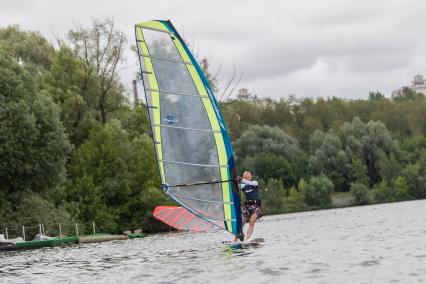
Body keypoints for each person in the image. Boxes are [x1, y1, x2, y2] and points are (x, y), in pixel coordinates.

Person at [236, 171, 261, 241]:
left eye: (248, 177)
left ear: (251, 177)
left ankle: (247, 239)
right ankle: (236, 239)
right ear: (243, 177)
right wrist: (235, 180)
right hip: (248, 206)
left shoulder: (255, 183)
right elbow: (235, 186)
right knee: (241, 224)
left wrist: (242, 179)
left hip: (256, 206)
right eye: (245, 177)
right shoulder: (243, 186)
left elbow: (247, 182)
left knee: (251, 221)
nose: (247, 178)